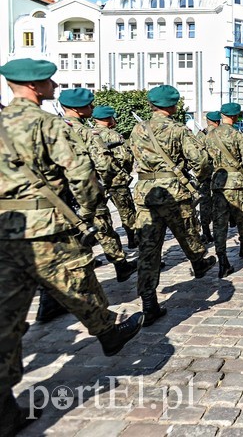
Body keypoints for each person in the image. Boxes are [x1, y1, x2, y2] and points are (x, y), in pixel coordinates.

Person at [0, 59, 143, 432]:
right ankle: (109, 332)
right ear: (36, 87)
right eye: (49, 81)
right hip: (46, 225)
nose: (53, 85)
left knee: (7, 317)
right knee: (80, 281)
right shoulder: (47, 124)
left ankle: (4, 408)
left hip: (4, 229)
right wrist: (90, 210)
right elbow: (80, 174)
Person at [129, 85, 217, 326]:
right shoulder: (178, 129)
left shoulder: (137, 129)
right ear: (173, 105)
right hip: (174, 192)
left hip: (145, 194)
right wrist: (200, 177)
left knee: (149, 248)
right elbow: (199, 160)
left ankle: (149, 302)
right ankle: (199, 263)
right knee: (188, 232)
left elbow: (132, 157)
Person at [59, 89, 137, 282]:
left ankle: (82, 264)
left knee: (70, 232)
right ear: (78, 109)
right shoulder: (85, 132)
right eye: (89, 105)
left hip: (59, 193)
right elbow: (104, 164)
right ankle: (121, 264)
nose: (92, 108)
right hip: (85, 188)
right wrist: (111, 181)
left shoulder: (51, 128)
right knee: (102, 227)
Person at [206, 102, 243, 277]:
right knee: (242, 217)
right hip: (236, 182)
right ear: (235, 117)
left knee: (219, 223)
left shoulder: (209, 135)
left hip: (218, 182)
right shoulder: (237, 134)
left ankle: (222, 260)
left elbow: (202, 160)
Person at [92, 105, 138, 250]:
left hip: (96, 181)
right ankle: (133, 240)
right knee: (127, 212)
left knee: (99, 215)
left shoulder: (88, 133)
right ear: (108, 119)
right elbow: (125, 157)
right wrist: (125, 171)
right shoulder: (112, 135)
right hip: (116, 181)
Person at [196, 111, 221, 243]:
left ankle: (206, 231)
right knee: (220, 201)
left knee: (205, 202)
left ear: (208, 120)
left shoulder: (201, 135)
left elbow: (196, 156)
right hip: (221, 173)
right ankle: (219, 230)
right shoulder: (221, 133)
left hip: (205, 173)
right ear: (218, 122)